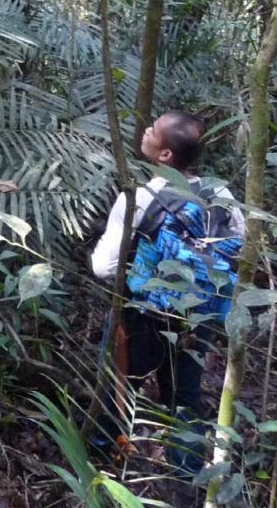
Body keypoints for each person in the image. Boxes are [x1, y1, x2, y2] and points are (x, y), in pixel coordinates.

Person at [90, 109, 245, 475]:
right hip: (198, 319)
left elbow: (103, 267)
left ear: (165, 156)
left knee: (118, 386)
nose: (145, 130)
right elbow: (240, 246)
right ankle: (187, 478)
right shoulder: (219, 193)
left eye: (153, 130)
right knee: (186, 398)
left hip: (143, 315)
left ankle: (98, 465)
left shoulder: (144, 197)